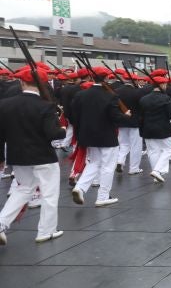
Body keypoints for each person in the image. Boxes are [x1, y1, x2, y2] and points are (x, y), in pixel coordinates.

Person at [0, 67, 67, 245]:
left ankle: (1, 223)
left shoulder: (5, 104)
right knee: (49, 193)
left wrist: (1, 158)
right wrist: (62, 129)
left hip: (17, 156)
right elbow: (52, 134)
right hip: (43, 156)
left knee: (22, 189)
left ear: (22, 83)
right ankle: (46, 231)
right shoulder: (45, 106)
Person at [69, 67, 133, 207]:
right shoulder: (110, 96)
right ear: (107, 78)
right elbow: (115, 117)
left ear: (92, 78)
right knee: (108, 167)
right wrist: (126, 116)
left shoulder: (81, 95)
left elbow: (74, 117)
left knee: (93, 163)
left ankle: (80, 188)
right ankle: (103, 196)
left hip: (88, 136)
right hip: (107, 137)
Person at [139, 76, 171, 183]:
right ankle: (157, 171)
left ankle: (157, 174)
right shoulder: (166, 98)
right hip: (163, 129)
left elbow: (141, 117)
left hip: (147, 129)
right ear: (162, 85)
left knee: (153, 152)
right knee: (169, 148)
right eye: (165, 84)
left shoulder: (143, 99)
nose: (166, 86)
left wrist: (141, 131)